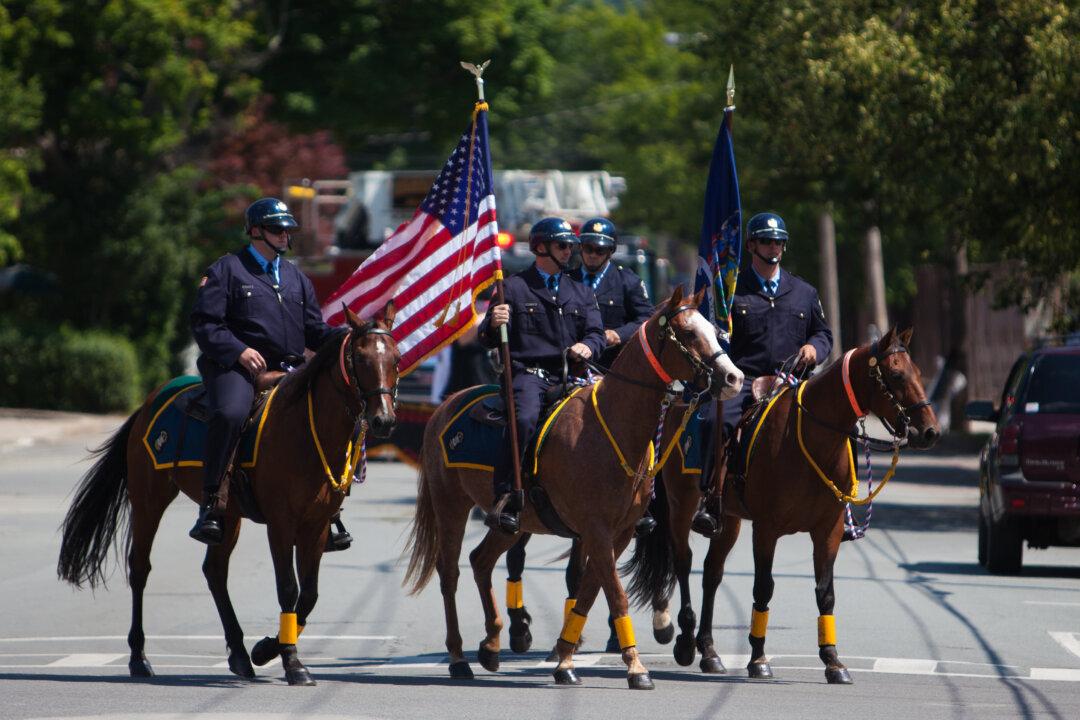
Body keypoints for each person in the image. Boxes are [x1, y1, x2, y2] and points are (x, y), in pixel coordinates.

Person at [189, 197, 345, 547]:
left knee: (334, 410)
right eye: (277, 229)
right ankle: (213, 504)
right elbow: (205, 323)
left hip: (289, 369)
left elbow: (314, 331)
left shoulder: (296, 278)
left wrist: (348, 337)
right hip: (236, 368)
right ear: (255, 231)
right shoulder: (226, 269)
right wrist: (238, 351)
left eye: (288, 230)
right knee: (230, 413)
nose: (285, 236)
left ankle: (330, 510)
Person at [693, 211, 834, 534]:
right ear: (752, 245)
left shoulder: (804, 292)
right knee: (715, 420)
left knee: (839, 424)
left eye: (779, 242)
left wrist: (815, 349)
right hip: (745, 380)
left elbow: (823, 333)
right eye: (767, 242)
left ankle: (840, 503)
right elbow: (712, 335)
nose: (773, 248)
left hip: (793, 383)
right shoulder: (731, 292)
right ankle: (712, 499)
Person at [478, 217, 606, 534]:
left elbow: (597, 334)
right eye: (562, 246)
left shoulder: (581, 291)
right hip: (529, 375)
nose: (569, 252)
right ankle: (507, 494)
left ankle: (629, 496)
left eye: (570, 246)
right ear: (540, 247)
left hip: (574, 376)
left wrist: (589, 347)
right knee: (524, 418)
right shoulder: (512, 288)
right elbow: (486, 339)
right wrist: (493, 322)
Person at [569, 217, 653, 369]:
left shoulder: (627, 281)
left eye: (600, 250)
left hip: (612, 368)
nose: (593, 255)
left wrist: (618, 334)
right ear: (580, 248)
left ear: (611, 251)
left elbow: (646, 318)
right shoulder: (566, 281)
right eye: (588, 248)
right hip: (572, 365)